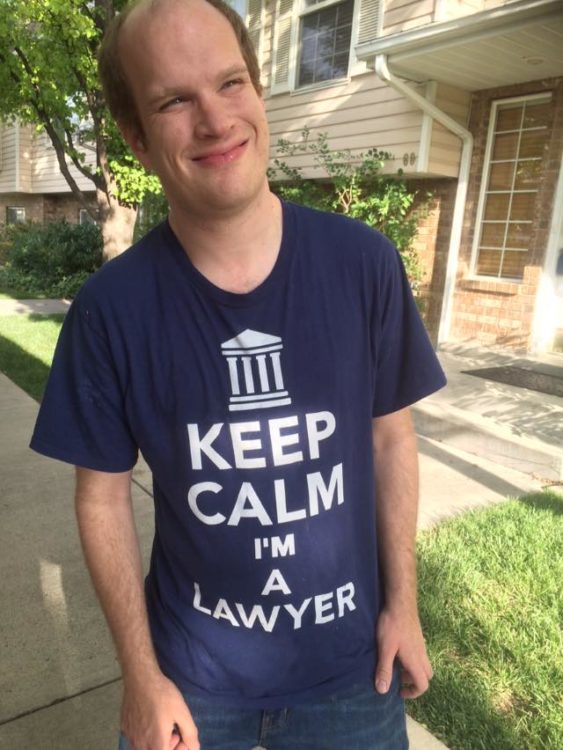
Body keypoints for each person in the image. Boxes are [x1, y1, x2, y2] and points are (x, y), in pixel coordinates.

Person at [30, 1, 446, 748]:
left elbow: (389, 441)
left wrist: (402, 607)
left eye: (230, 84)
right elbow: (101, 496)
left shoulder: (363, 266)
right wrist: (141, 676)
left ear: (258, 92)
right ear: (137, 136)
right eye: (173, 100)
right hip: (190, 681)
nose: (215, 121)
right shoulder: (110, 310)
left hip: (351, 676)